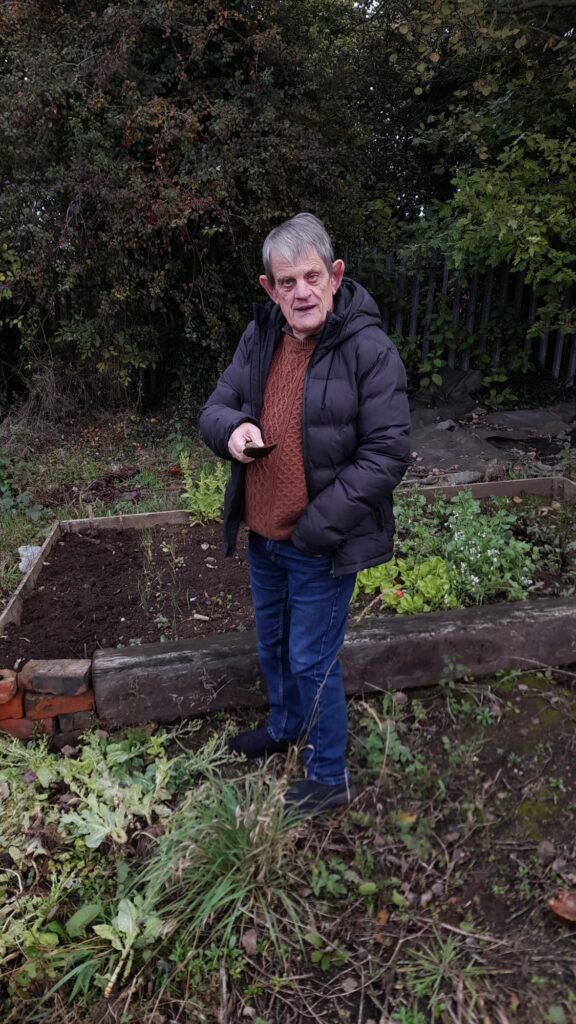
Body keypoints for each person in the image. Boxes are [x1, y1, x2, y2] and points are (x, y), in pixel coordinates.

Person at [199, 213, 411, 814]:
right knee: (273, 645)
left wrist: (316, 528)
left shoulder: (367, 348)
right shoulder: (261, 337)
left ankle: (327, 776)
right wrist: (234, 430)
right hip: (264, 537)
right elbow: (214, 408)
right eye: (286, 281)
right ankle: (285, 727)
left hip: (321, 541)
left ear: (335, 275)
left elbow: (387, 452)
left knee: (311, 659)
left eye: (312, 276)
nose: (301, 292)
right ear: (269, 287)